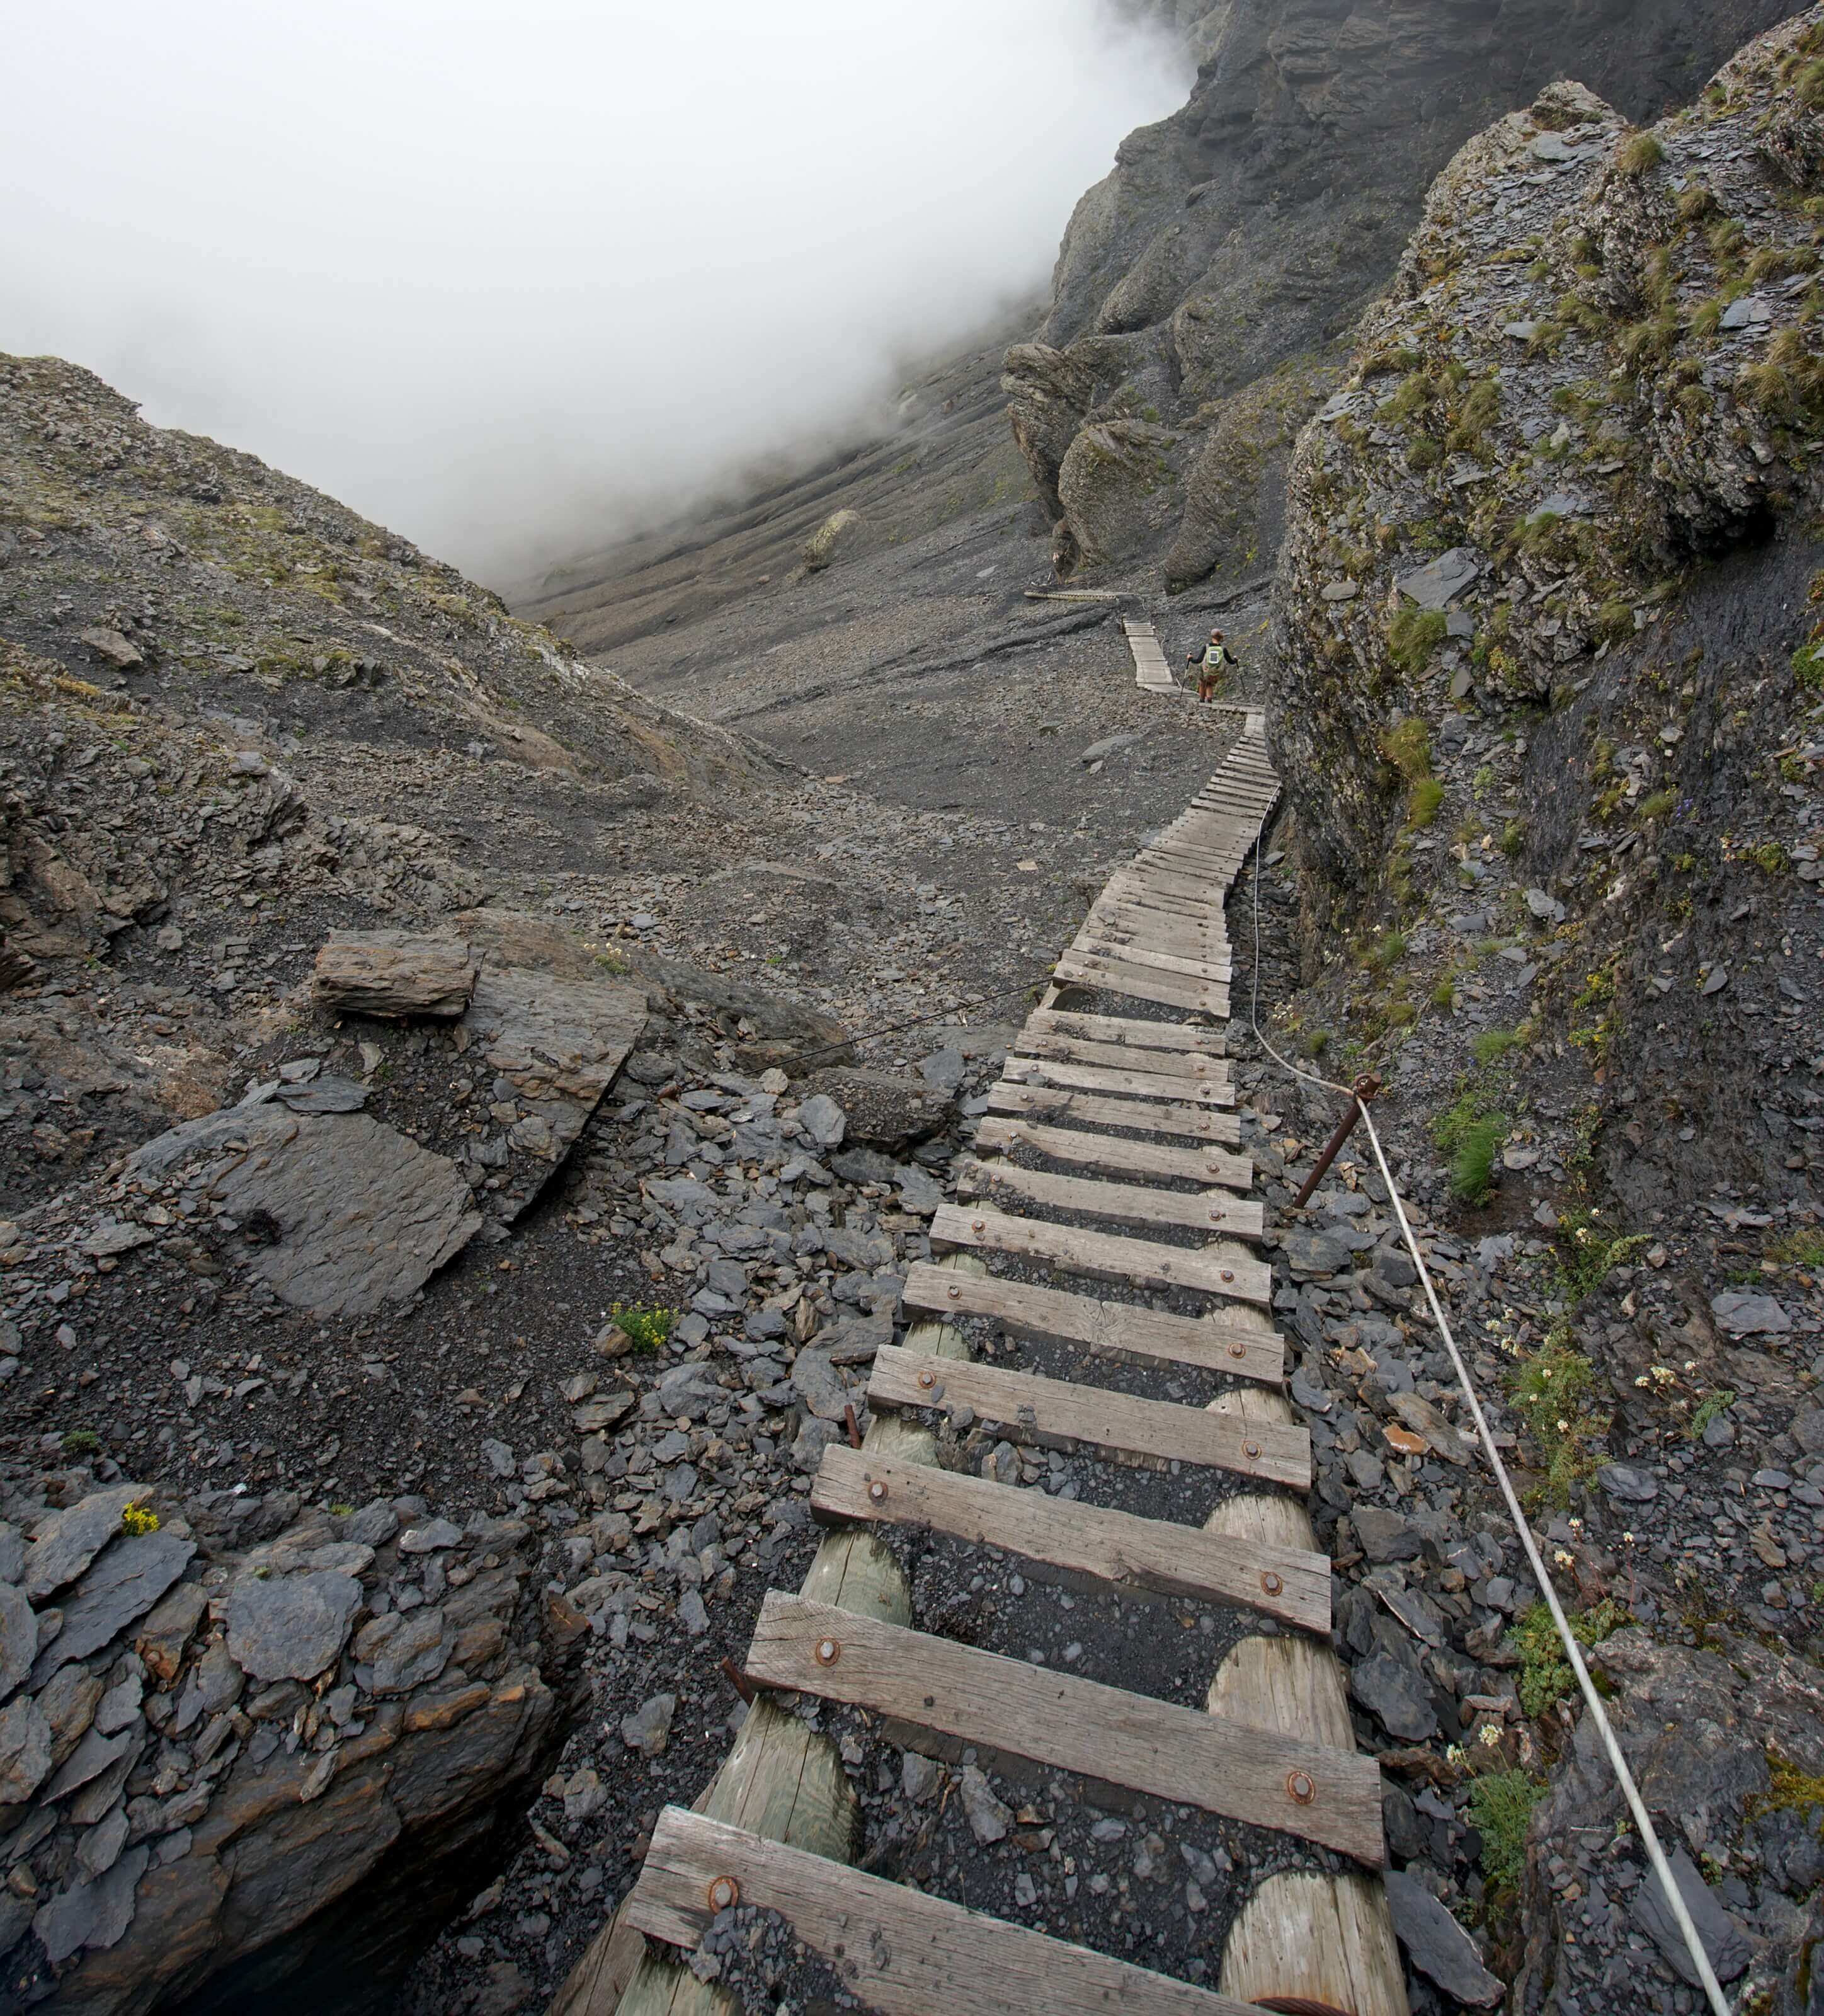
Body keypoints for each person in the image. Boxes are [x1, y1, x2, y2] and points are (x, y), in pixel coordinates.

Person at [1187, 627, 1236, 701]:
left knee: (1202, 681)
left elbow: (1198, 660)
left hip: (1206, 672)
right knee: (1210, 684)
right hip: (1217, 673)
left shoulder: (1207, 647)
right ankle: (1209, 698)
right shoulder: (1223, 649)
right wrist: (1236, 660)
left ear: (1212, 637)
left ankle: (1202, 699)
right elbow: (1231, 662)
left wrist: (1190, 658)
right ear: (1220, 638)